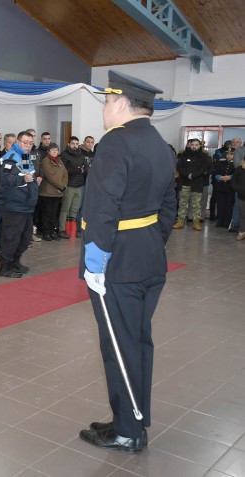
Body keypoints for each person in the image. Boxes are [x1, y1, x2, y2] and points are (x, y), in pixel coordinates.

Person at [79, 70, 177, 453]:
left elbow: (103, 207)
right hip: (149, 256)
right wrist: (152, 241)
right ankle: (131, 419)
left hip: (117, 263)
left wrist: (96, 264)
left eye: (106, 101)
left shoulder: (115, 143)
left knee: (118, 345)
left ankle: (128, 433)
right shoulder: (160, 144)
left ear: (121, 103)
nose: (104, 108)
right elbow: (167, 205)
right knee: (137, 342)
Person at [0, 131, 37, 278]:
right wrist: (23, 180)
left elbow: (28, 175)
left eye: (31, 143)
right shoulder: (10, 158)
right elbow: (5, 179)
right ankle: (5, 266)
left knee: (25, 237)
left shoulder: (25, 157)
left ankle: (15, 262)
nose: (28, 145)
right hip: (13, 204)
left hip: (25, 204)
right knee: (11, 237)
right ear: (17, 142)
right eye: (25, 142)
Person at [173, 138, 211, 231]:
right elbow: (179, 167)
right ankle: (180, 221)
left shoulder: (204, 157)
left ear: (199, 146)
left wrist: (194, 175)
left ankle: (196, 222)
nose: (194, 146)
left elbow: (203, 168)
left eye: (196, 145)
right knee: (182, 203)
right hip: (184, 182)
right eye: (192, 144)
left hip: (197, 183)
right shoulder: (184, 155)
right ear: (190, 145)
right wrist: (188, 175)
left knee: (196, 204)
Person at [58, 136, 88, 239]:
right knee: (65, 208)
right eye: (73, 143)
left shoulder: (81, 155)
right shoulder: (64, 155)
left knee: (75, 209)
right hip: (69, 185)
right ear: (68, 144)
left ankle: (71, 230)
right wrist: (77, 170)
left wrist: (82, 170)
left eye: (76, 143)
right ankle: (61, 230)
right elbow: (64, 170)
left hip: (80, 185)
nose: (75, 146)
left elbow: (86, 167)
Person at [38, 143, 68, 241]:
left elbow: (65, 174)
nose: (55, 152)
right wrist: (61, 186)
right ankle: (46, 233)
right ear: (48, 151)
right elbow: (50, 176)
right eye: (53, 150)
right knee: (47, 213)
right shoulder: (45, 161)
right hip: (47, 192)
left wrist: (63, 186)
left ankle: (52, 231)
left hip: (58, 192)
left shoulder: (59, 161)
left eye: (56, 150)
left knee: (54, 213)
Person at [212, 146, 236, 228]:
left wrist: (230, 177)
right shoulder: (221, 162)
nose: (229, 156)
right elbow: (215, 172)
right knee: (220, 205)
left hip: (230, 188)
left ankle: (227, 222)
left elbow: (237, 174)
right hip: (220, 187)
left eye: (231, 154)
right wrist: (220, 177)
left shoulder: (236, 164)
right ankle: (220, 221)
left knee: (229, 206)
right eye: (228, 154)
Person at [231, 153, 245, 240]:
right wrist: (237, 188)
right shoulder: (239, 169)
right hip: (241, 196)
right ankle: (242, 232)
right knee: (242, 215)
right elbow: (233, 181)